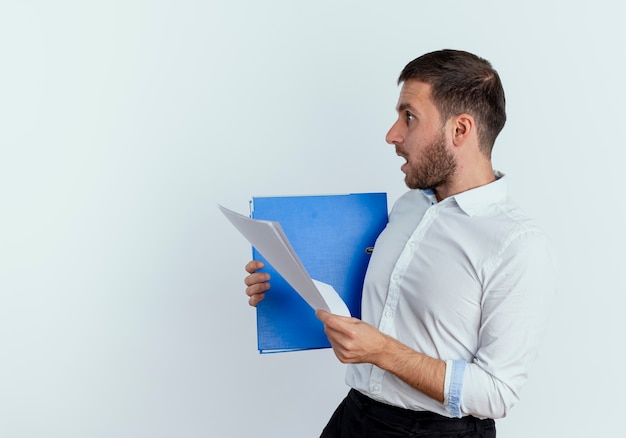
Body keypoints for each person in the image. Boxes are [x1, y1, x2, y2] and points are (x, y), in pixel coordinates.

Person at [243, 49, 556, 437]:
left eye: (409, 117)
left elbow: (497, 392)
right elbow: (372, 305)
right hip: (355, 417)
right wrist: (282, 286)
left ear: (460, 130)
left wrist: (383, 352)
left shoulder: (517, 245)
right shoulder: (408, 207)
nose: (392, 134)